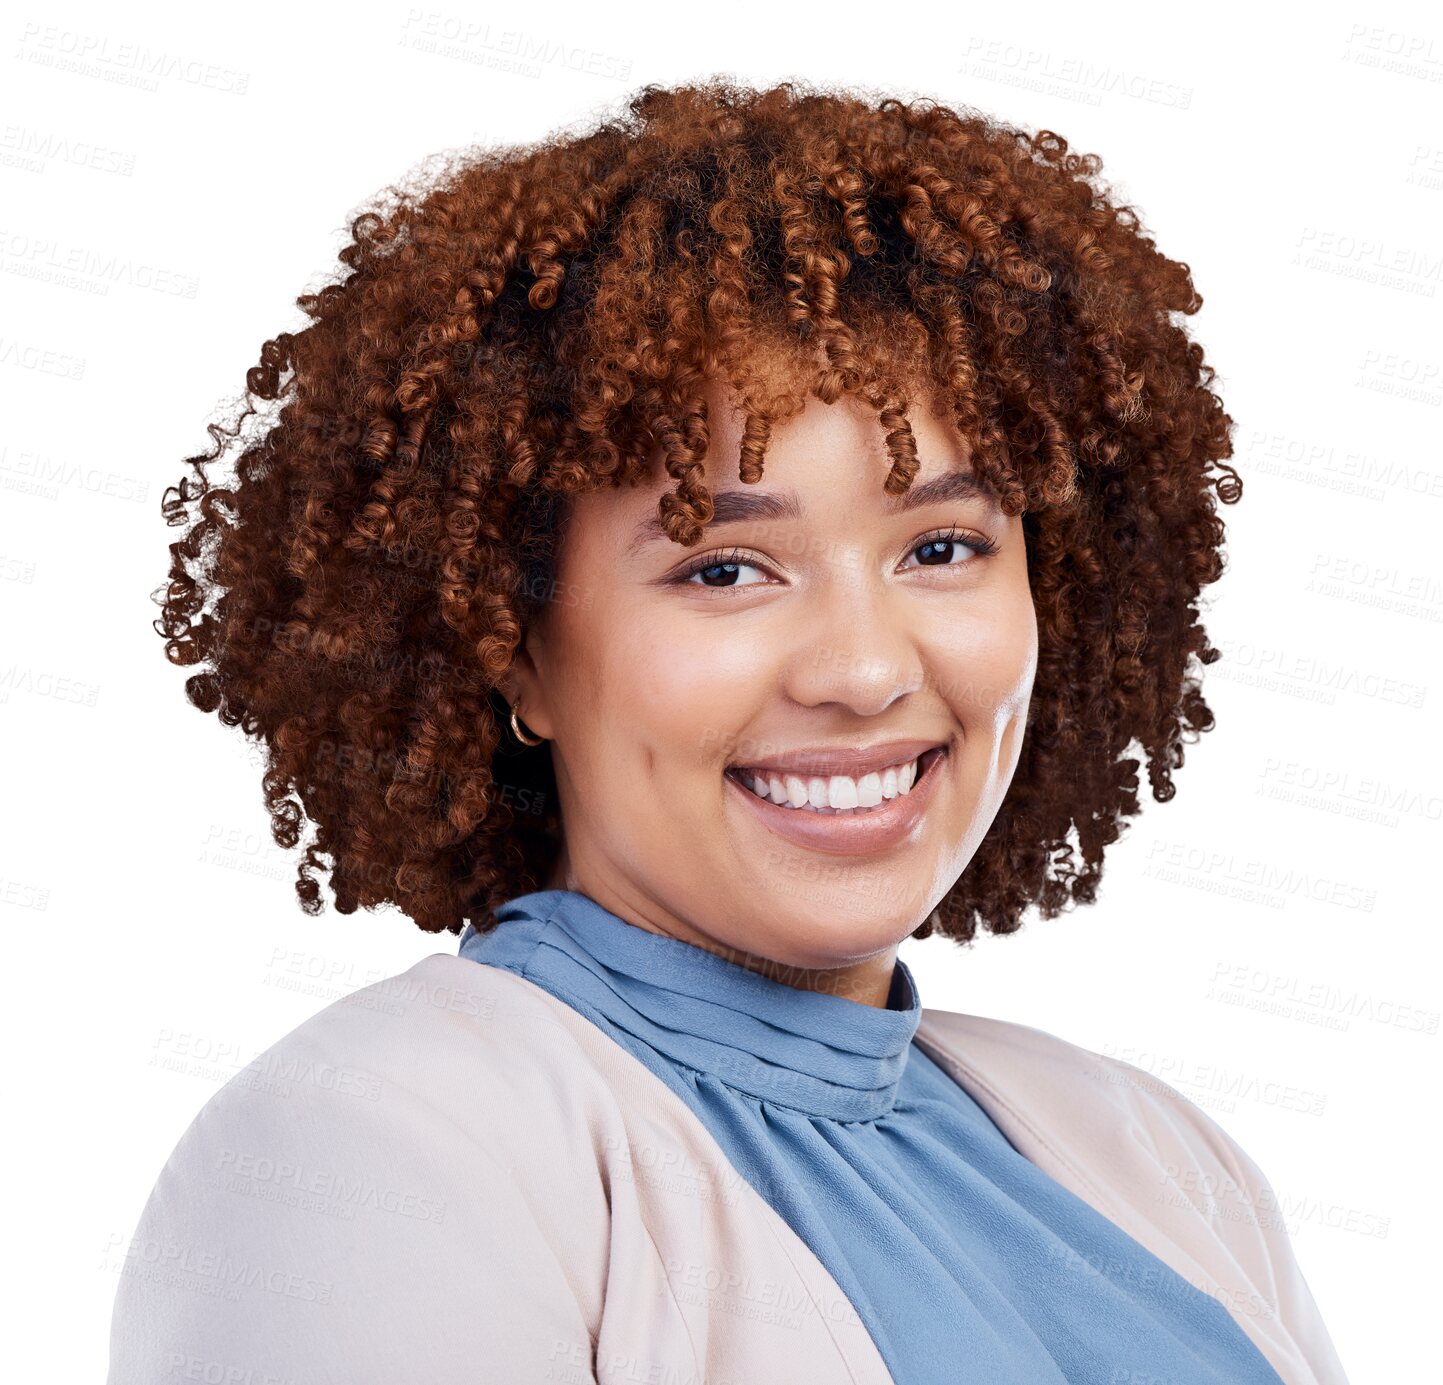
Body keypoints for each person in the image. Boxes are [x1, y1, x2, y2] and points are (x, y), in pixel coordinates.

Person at [110, 78, 1349, 1383]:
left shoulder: (1162, 1156)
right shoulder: (372, 1152)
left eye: (942, 544)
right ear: (510, 644)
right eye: (725, 568)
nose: (866, 670)